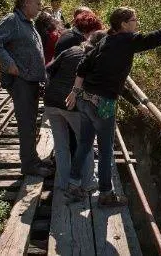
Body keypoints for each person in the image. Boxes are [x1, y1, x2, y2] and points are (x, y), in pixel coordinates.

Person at [65, 6, 161, 206]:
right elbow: (160, 35)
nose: (137, 23)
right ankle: (106, 194)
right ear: (124, 24)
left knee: (84, 144)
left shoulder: (105, 40)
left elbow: (82, 66)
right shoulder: (128, 40)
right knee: (106, 149)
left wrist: (75, 92)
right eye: (134, 20)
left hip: (85, 99)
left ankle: (72, 185)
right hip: (103, 104)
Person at [0, 0, 51, 177]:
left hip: (30, 80)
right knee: (26, 122)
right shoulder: (12, 20)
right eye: (37, 3)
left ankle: (33, 159)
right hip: (21, 80)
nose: (40, 7)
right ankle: (29, 165)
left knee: (30, 122)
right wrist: (9, 63)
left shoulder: (27, 22)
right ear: (26, 3)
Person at [44, 11, 106, 192]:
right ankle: (88, 183)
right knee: (84, 144)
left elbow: (49, 69)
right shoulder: (96, 59)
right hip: (71, 104)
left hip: (51, 102)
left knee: (61, 145)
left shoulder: (71, 50)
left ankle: (64, 183)